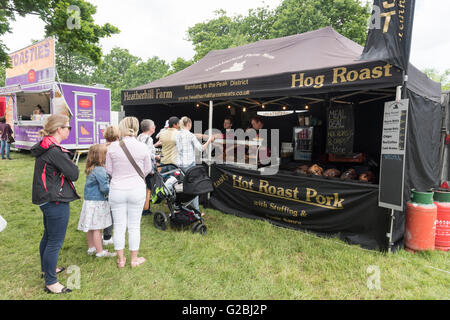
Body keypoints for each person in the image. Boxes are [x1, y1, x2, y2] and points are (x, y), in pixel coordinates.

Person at [31, 114, 80, 294]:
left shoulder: (47, 147)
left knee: (48, 236)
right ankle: (51, 282)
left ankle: (46, 269)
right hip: (54, 200)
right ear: (59, 129)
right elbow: (74, 174)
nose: (69, 130)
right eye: (68, 127)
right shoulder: (54, 151)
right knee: (54, 241)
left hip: (46, 198)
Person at [106, 117, 152, 269]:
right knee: (134, 226)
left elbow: (109, 170)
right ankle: (134, 259)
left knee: (118, 225)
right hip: (136, 188)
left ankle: (120, 260)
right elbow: (147, 170)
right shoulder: (143, 147)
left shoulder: (112, 147)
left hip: (117, 188)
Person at [77, 144, 116, 258]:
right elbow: (104, 188)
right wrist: (113, 190)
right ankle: (100, 251)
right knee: (97, 228)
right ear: (100, 157)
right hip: (98, 202)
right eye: (105, 154)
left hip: (89, 202)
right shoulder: (100, 170)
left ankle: (91, 248)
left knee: (90, 227)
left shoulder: (91, 168)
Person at [175, 116, 215, 215]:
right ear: (189, 124)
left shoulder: (177, 134)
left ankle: (178, 207)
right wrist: (209, 140)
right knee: (194, 187)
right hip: (189, 165)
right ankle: (196, 211)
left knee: (180, 187)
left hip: (179, 165)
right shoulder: (190, 135)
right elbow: (201, 148)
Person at [137, 119, 159, 216]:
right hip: (146, 167)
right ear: (150, 128)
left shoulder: (139, 136)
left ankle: (140, 207)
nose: (155, 127)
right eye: (154, 125)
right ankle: (145, 209)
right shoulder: (148, 139)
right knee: (148, 187)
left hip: (139, 167)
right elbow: (148, 153)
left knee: (142, 187)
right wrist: (156, 157)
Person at [102, 125, 119, 246]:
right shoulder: (118, 148)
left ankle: (101, 233)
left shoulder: (100, 148)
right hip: (113, 180)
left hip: (101, 180)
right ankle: (107, 236)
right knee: (112, 209)